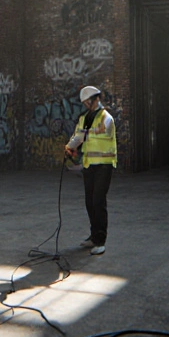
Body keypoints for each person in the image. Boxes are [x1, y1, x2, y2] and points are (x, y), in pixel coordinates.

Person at [64, 85, 116, 255]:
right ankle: (94, 237)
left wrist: (86, 133)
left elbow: (102, 133)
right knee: (89, 202)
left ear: (96, 99)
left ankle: (101, 241)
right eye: (84, 103)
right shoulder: (85, 118)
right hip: (89, 164)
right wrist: (70, 146)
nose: (86, 105)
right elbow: (79, 135)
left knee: (98, 201)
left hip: (104, 165)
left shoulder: (106, 118)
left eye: (88, 101)